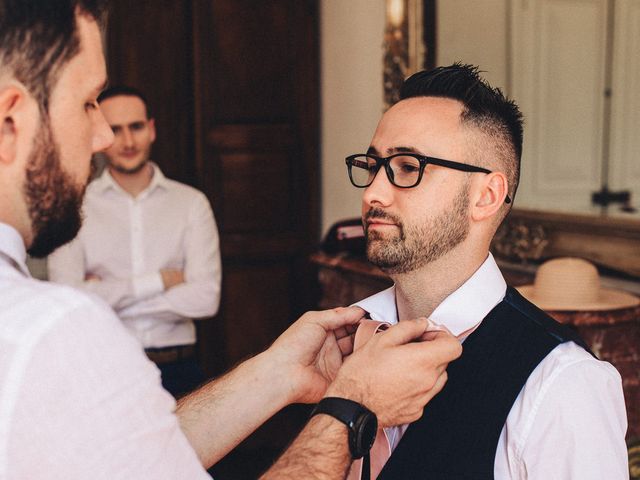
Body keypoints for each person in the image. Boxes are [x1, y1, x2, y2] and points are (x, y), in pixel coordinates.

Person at [0, 1, 463, 478]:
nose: (104, 138)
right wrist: (353, 408)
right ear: (11, 121)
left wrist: (276, 372)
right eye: (87, 103)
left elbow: (136, 459)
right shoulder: (46, 330)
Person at [344, 63, 629, 479]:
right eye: (372, 167)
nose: (373, 192)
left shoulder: (563, 384)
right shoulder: (349, 335)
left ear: (486, 196)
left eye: (407, 167)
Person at [48, 85, 221, 398]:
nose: (127, 142)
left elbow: (206, 298)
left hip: (178, 370)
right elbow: (67, 298)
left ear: (151, 129)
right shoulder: (73, 207)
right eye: (115, 130)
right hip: (102, 366)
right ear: (98, 135)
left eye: (136, 127)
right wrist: (160, 281)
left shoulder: (191, 204)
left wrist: (104, 296)